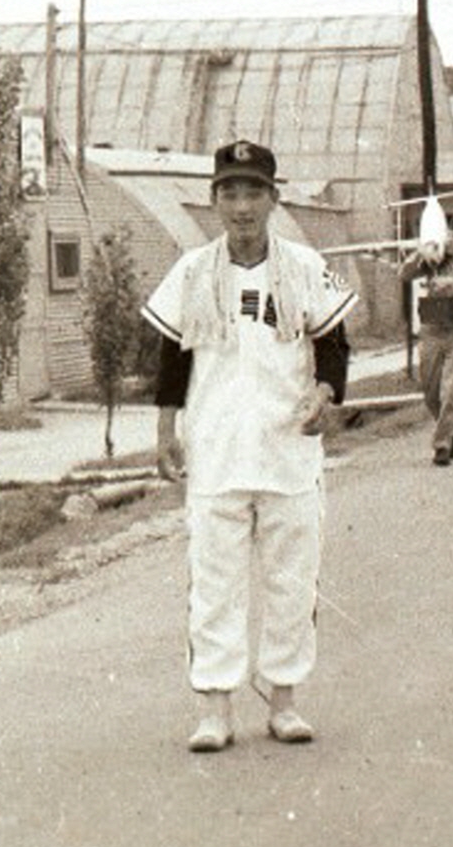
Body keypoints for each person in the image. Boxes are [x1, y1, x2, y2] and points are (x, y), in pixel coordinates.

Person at [144, 139, 358, 753]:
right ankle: (214, 708)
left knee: (292, 583)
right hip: (217, 452)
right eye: (230, 192)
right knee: (216, 586)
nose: (242, 205)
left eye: (253, 192)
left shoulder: (304, 265)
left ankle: (285, 701)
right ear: (214, 201)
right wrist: (166, 430)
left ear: (273, 198)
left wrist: (325, 393)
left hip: (288, 449)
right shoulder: (191, 272)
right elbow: (169, 357)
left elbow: (334, 343)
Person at [400, 212, 453, 467]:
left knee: (450, 390)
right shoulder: (434, 260)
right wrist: (419, 254)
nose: (450, 241)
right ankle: (449, 426)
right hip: (431, 329)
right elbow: (403, 275)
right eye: (448, 235)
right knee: (430, 391)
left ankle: (442, 445)